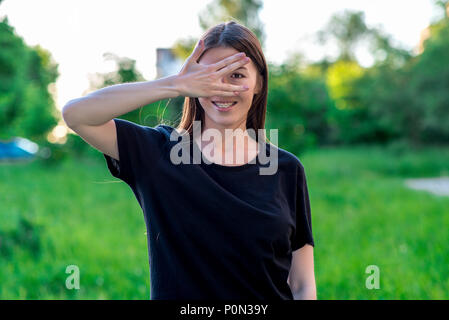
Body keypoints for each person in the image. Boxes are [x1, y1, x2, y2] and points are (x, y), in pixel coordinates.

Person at [62, 20, 316, 300]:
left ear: (259, 84)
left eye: (237, 76)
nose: (222, 88)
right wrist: (175, 84)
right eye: (209, 76)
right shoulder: (158, 153)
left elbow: (303, 284)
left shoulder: (286, 169)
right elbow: (76, 114)